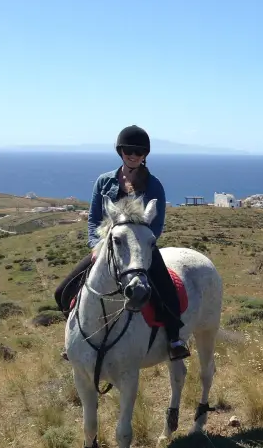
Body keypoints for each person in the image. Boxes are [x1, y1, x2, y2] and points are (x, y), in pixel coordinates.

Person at [54, 125, 190, 361]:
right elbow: (94, 217)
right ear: (121, 151)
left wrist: (143, 249)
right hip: (107, 248)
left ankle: (174, 339)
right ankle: (75, 339)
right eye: (128, 149)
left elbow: (156, 224)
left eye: (138, 151)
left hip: (141, 250)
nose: (133, 154)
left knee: (167, 292)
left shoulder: (154, 185)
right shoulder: (103, 181)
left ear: (145, 155)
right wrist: (96, 247)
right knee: (62, 292)